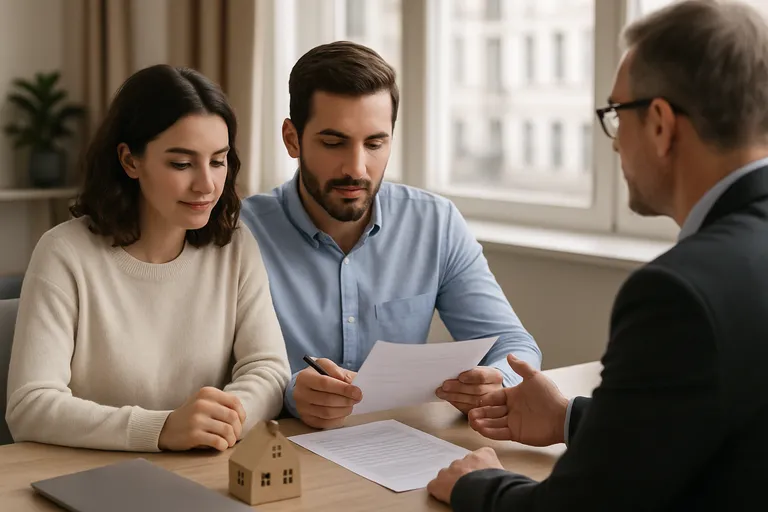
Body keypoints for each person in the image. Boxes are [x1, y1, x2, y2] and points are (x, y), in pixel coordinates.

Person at [427, 1, 768, 510]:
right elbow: (723, 419)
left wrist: (476, 483)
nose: (613, 145)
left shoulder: (679, 293)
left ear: (659, 124)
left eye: (616, 114)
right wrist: (569, 417)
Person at [239, 41, 542, 429]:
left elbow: (514, 346)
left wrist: (498, 380)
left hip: (399, 448)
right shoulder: (242, 233)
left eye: (375, 143)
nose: (357, 168)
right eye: (334, 143)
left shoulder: (435, 223)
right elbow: (213, 371)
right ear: (292, 139)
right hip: (282, 450)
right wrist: (287, 392)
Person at [5, 65, 291, 453]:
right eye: (181, 163)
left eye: (218, 161)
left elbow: (269, 370)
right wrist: (160, 429)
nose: (206, 184)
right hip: (90, 478)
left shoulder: (235, 247)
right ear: (129, 161)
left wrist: (223, 419)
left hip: (206, 468)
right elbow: (29, 406)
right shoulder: (64, 253)